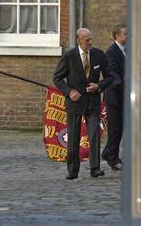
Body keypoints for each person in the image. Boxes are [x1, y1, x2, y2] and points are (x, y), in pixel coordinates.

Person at [53, 28, 113, 179]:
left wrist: (98, 86)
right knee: (73, 136)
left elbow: (110, 76)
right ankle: (73, 170)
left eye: (91, 39)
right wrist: (69, 92)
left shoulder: (99, 55)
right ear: (78, 40)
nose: (90, 42)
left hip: (93, 101)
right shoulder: (69, 56)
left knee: (94, 134)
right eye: (87, 40)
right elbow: (58, 78)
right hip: (75, 103)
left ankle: (95, 168)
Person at [101, 23, 126, 171]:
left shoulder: (128, 50)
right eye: (125, 34)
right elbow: (112, 73)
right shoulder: (111, 52)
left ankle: (107, 152)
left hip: (124, 95)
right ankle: (113, 158)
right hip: (114, 96)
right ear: (117, 36)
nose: (127, 36)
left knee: (121, 127)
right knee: (115, 128)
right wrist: (125, 83)